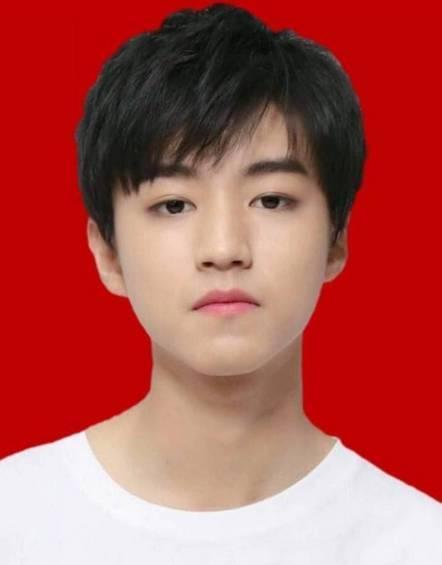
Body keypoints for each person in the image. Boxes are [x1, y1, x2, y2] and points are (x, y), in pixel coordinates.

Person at [1, 3, 441, 563]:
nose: (224, 248)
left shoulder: (418, 542)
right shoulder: (17, 519)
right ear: (107, 252)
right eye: (174, 204)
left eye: (271, 200)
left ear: (336, 239)